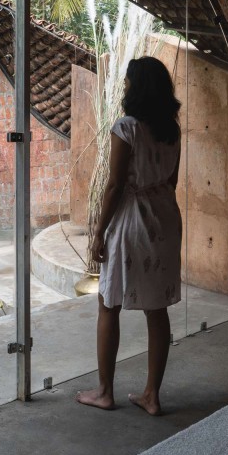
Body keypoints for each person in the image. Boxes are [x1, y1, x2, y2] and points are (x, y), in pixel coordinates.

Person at [76, 56, 182, 415]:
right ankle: (152, 395)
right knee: (157, 309)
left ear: (136, 88)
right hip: (165, 217)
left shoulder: (126, 128)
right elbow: (172, 182)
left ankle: (105, 391)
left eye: (127, 82)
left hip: (132, 220)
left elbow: (115, 185)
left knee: (109, 302)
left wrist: (98, 232)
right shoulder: (171, 129)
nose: (123, 87)